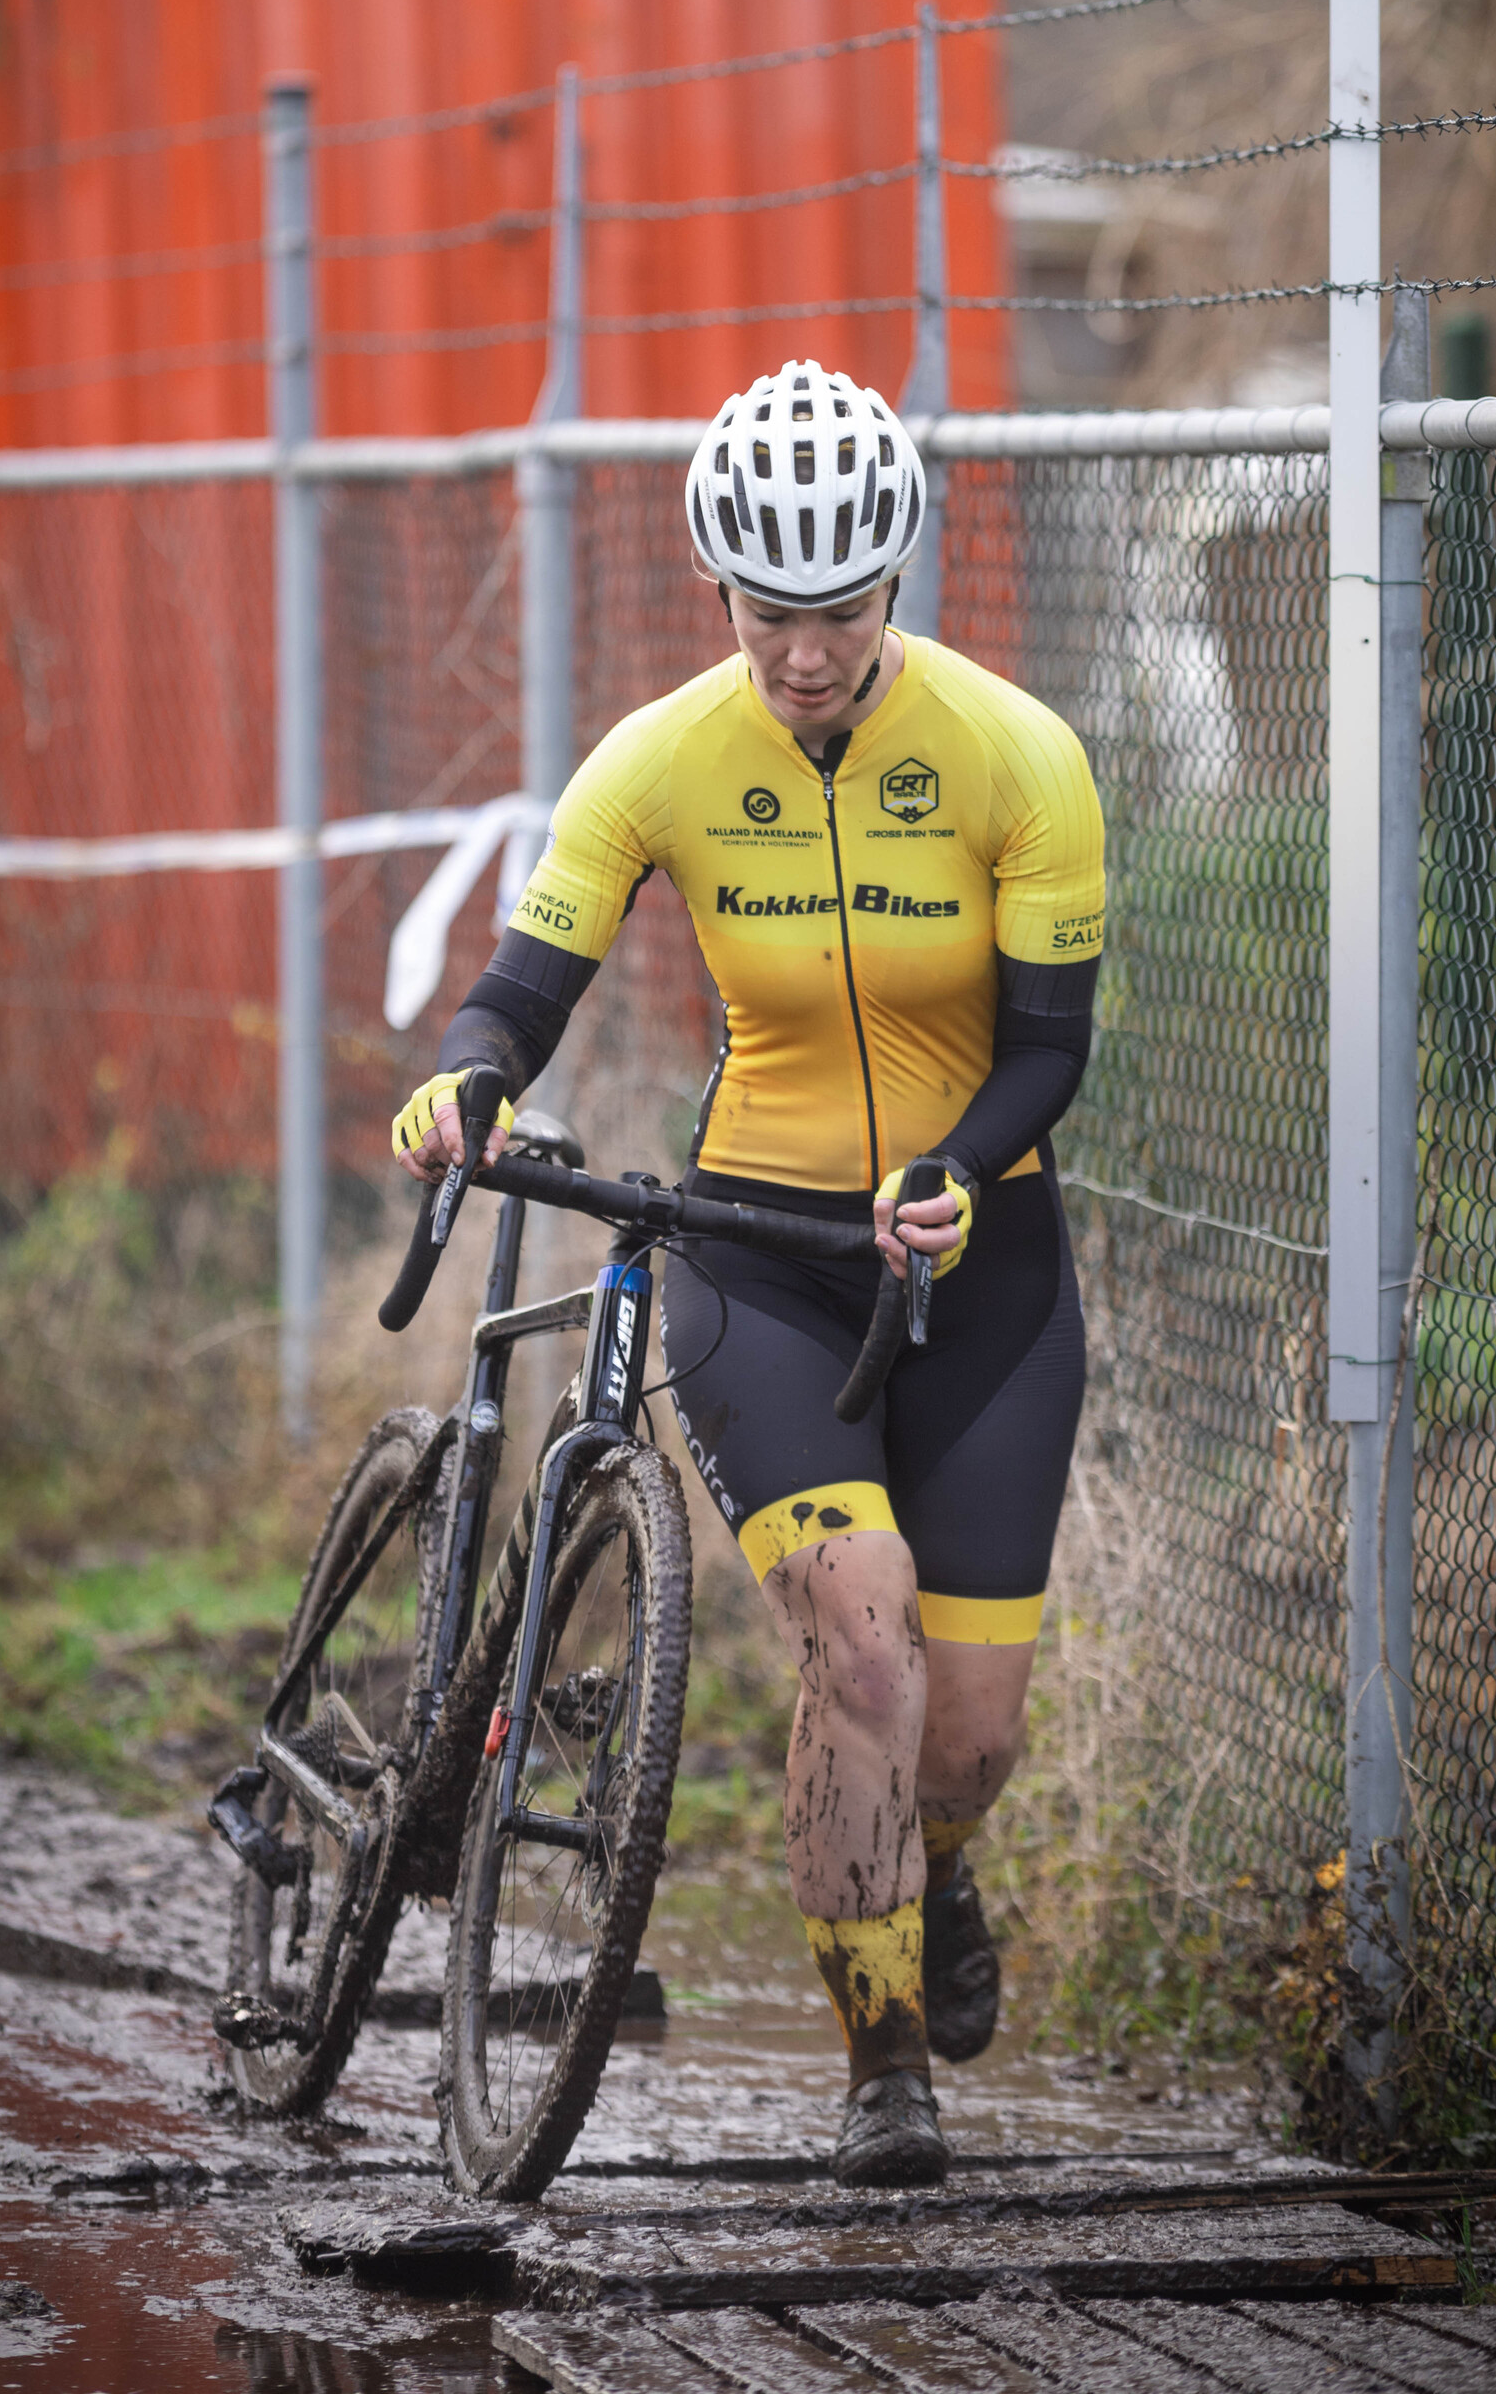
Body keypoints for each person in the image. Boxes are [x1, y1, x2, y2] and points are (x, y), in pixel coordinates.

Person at [393, 358, 1105, 2187]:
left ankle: (939, 1878)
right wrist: (469, 1076)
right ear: (722, 595)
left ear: (899, 583)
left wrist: (954, 1167)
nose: (807, 652)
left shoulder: (1020, 755)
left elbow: (1048, 1048)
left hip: (982, 1262)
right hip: (762, 1259)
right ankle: (884, 2077)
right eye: (774, 615)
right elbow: (527, 978)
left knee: (969, 1738)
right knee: (862, 1645)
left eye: (846, 611)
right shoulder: (659, 759)